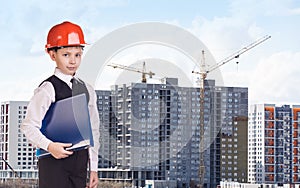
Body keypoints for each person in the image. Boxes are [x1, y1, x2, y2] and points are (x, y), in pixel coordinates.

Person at [21, 21, 100, 188]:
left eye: (77, 55)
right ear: (52, 54)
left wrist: (93, 168)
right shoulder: (48, 88)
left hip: (80, 163)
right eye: (66, 55)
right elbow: (28, 127)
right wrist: (49, 146)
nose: (73, 61)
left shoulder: (88, 89)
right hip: (53, 162)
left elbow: (93, 129)